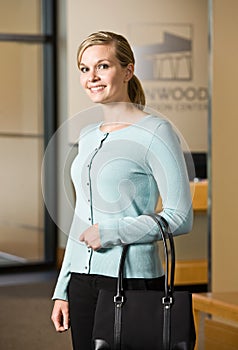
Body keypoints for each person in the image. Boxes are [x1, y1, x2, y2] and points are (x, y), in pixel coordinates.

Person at [51, 31, 193, 350]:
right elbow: (80, 216)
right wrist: (63, 287)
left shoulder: (157, 132)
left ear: (128, 70)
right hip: (82, 283)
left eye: (103, 66)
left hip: (132, 282)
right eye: (85, 69)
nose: (92, 77)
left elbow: (180, 217)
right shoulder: (88, 135)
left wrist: (112, 231)